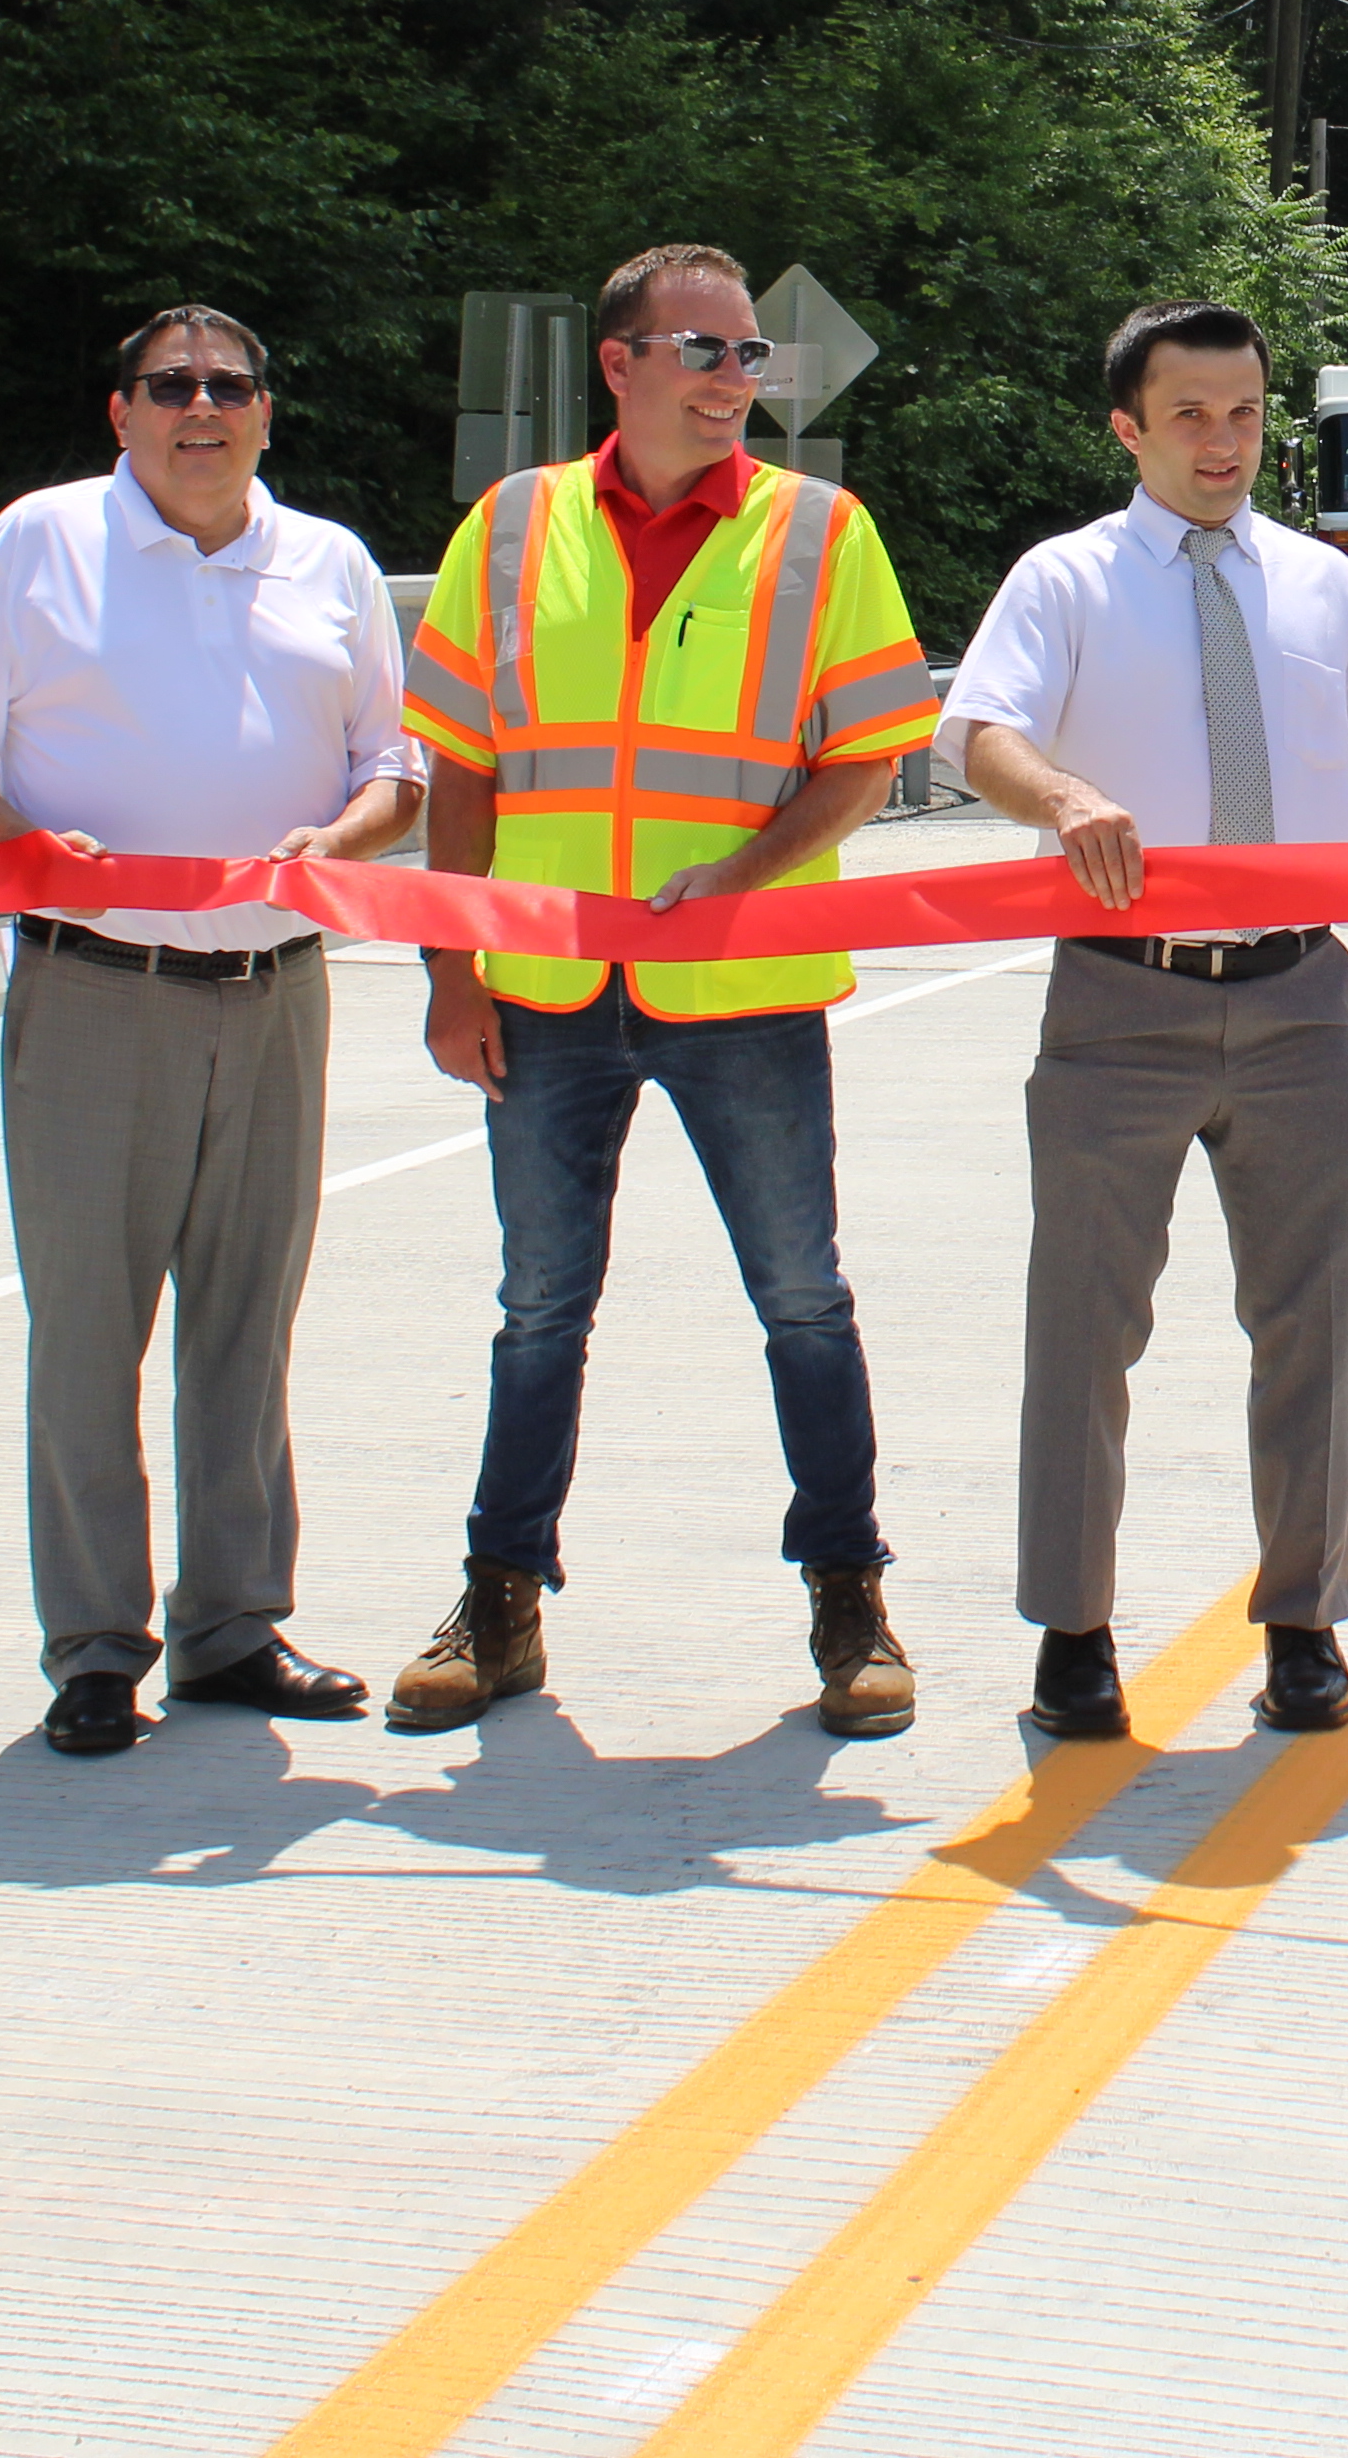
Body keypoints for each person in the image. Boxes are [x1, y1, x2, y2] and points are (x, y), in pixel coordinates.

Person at [946, 299, 1348, 1746]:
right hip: (1117, 996)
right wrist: (1066, 800)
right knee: (1083, 1330)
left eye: (1244, 413)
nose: (1223, 443)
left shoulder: (1323, 589)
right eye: (1190, 417)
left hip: (1299, 1005)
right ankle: (1074, 1632)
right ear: (1128, 428)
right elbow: (978, 732)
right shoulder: (1066, 581)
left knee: (1311, 1328)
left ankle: (1303, 1623)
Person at [392, 243, 947, 1746]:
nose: (731, 382)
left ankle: (850, 1598)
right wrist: (452, 971)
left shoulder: (821, 532)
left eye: (749, 356)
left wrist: (755, 869)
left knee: (803, 1302)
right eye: (702, 352)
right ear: (619, 363)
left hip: (745, 985)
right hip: (544, 989)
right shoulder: (510, 528)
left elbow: (867, 755)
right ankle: (499, 1601)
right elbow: (463, 765)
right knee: (537, 1310)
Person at [0, 303, 426, 1758]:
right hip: (93, 993)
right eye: (171, 386)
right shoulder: (36, 546)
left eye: (231, 386)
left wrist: (345, 830)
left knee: (246, 1329)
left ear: (268, 411)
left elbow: (401, 759)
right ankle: (92, 1648)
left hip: (275, 990)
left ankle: (234, 1627)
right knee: (88, 1332)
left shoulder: (327, 565)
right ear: (121, 409)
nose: (203, 408)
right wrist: (37, 847)